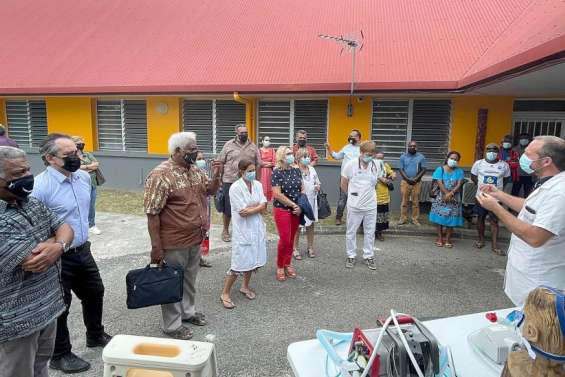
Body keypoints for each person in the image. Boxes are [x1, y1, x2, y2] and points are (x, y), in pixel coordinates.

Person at [32, 134, 112, 374]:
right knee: (61, 305)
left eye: (77, 152)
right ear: (50, 158)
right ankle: (60, 354)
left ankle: (95, 335)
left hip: (82, 250)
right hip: (57, 256)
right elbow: (35, 226)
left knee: (95, 291)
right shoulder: (40, 187)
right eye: (69, 155)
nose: (77, 157)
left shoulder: (83, 179)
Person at [0, 146, 74, 377]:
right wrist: (57, 242)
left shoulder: (30, 202)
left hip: (47, 308)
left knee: (41, 367)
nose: (27, 177)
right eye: (17, 174)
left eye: (27, 170)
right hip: (16, 322)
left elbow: (65, 227)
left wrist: (57, 246)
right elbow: (34, 260)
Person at [144, 132, 222, 340]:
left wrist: (217, 174)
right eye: (191, 149)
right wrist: (156, 247)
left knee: (189, 279)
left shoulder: (195, 170)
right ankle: (172, 325)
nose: (195, 152)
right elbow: (152, 213)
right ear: (177, 151)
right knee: (172, 281)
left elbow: (210, 191)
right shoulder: (160, 175)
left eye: (195, 148)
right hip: (173, 241)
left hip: (195, 237)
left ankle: (188, 312)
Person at [476, 136, 565, 306]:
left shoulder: (560, 193)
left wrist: (496, 208)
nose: (522, 156)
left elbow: (535, 237)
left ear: (546, 161)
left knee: (535, 328)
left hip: (541, 282)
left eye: (528, 154)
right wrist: (499, 195)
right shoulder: (548, 182)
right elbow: (529, 207)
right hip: (526, 275)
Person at [220, 159, 267, 309]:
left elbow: (264, 205)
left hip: (257, 228)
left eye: (254, 170)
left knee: (252, 261)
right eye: (250, 171)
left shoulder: (258, 185)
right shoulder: (235, 188)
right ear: (241, 171)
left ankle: (245, 286)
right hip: (243, 231)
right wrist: (258, 207)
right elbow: (242, 212)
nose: (253, 173)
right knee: (238, 263)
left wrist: (255, 207)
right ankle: (225, 293)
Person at [341, 141, 383, 270]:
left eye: (371, 154)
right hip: (354, 205)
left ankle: (368, 256)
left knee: (370, 232)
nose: (368, 157)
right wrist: (352, 196)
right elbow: (343, 184)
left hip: (371, 205)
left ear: (374, 154)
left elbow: (376, 183)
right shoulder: (350, 165)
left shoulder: (377, 165)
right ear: (361, 153)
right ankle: (351, 255)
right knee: (351, 232)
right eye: (366, 154)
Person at [218, 124, 262, 242]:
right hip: (230, 180)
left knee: (246, 206)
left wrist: (257, 179)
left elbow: (259, 163)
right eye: (242, 132)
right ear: (236, 133)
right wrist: (219, 179)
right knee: (228, 207)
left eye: (246, 132)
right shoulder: (228, 145)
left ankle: (243, 230)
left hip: (247, 181)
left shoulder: (253, 146)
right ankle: (225, 230)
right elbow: (221, 162)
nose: (244, 134)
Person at [471, 143, 511, 255]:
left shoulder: (504, 165)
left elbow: (507, 179)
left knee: (494, 221)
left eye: (494, 150)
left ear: (498, 152)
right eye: (489, 150)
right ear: (485, 151)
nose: (491, 152)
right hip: (481, 196)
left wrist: (496, 190)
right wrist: (482, 187)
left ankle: (495, 245)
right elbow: (473, 177)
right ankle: (480, 240)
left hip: (495, 198)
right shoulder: (478, 164)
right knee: (480, 218)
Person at [271, 146, 303, 281]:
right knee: (284, 239)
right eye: (288, 153)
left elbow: (302, 189)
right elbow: (277, 194)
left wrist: (300, 206)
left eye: (292, 153)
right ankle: (279, 265)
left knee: (291, 239)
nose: (292, 155)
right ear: (282, 157)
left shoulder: (296, 170)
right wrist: (293, 205)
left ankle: (288, 263)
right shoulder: (277, 172)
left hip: (296, 210)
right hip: (282, 209)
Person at [429, 151, 465, 248]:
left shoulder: (459, 171)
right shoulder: (439, 169)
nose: (454, 160)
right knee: (440, 219)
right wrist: (446, 193)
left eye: (456, 159)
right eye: (452, 158)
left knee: (451, 220)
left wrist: (450, 193)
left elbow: (459, 184)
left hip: (454, 198)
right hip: (441, 197)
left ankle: (448, 239)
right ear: (447, 158)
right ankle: (440, 238)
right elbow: (439, 182)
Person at [325, 129, 361, 225]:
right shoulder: (346, 147)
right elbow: (336, 156)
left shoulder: (362, 149)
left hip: (357, 179)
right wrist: (329, 149)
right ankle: (338, 217)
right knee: (343, 198)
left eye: (353, 136)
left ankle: (356, 219)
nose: (350, 137)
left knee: (357, 198)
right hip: (345, 178)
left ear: (358, 137)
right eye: (350, 135)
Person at [293, 148, 320, 259]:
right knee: (297, 226)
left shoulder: (312, 169)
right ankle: (295, 249)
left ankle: (310, 247)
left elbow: (317, 181)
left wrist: (318, 186)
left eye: (308, 156)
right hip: (300, 201)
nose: (307, 159)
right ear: (298, 159)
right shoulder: (294, 170)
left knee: (311, 225)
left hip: (311, 201)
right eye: (304, 157)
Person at [72, 136, 103, 235]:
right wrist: (89, 167)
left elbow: (96, 164)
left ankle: (91, 225)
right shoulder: (71, 157)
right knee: (79, 205)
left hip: (92, 183)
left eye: (82, 142)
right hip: (79, 184)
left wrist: (83, 167)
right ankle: (79, 224)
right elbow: (75, 168)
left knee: (91, 205)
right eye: (78, 143)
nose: (81, 144)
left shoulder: (87, 154)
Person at [398, 141, 426, 225]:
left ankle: (415, 219)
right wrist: (407, 179)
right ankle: (403, 218)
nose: (412, 147)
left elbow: (424, 169)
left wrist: (416, 178)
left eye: (414, 146)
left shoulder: (421, 157)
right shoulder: (403, 157)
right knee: (404, 201)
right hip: (405, 182)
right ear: (408, 147)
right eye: (411, 146)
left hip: (417, 182)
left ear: (416, 147)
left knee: (415, 202)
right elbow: (401, 169)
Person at [195, 152, 212, 268]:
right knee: (196, 233)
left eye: (202, 158)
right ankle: (195, 259)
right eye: (198, 159)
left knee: (204, 232)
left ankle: (200, 257)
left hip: (206, 206)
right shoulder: (189, 174)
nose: (201, 161)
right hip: (196, 208)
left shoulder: (205, 173)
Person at [375, 151, 395, 241]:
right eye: (377, 158)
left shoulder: (385, 165)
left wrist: (392, 176)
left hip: (384, 195)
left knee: (382, 215)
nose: (379, 160)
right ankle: (371, 232)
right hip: (373, 195)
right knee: (373, 215)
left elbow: (393, 174)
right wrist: (386, 181)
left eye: (381, 158)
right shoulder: (372, 166)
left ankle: (379, 232)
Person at [512, 132, 535, 198]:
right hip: (517, 174)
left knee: (528, 193)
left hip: (529, 174)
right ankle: (512, 208)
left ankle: (526, 207)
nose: (523, 140)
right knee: (515, 192)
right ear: (519, 140)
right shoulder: (514, 149)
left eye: (525, 138)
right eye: (522, 138)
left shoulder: (532, 149)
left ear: (529, 140)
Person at [259, 136, 275, 201]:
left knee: (270, 187)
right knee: (262, 187)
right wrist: (268, 163)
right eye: (266, 140)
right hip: (261, 173)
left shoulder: (272, 150)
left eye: (268, 140)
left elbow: (274, 162)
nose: (267, 142)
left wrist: (264, 164)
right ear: (262, 141)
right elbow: (259, 162)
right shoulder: (258, 150)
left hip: (270, 172)